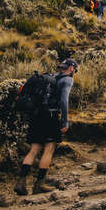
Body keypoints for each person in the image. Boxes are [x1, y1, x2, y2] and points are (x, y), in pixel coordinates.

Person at [14, 58, 77, 195]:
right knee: (49, 149)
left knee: (34, 149)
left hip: (36, 117)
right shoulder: (67, 80)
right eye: (74, 69)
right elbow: (64, 101)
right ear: (71, 68)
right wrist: (65, 121)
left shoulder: (50, 77)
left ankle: (21, 182)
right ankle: (39, 184)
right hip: (50, 117)